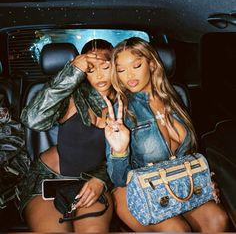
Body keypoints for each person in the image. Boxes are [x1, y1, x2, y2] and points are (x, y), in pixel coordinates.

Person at [104, 37, 229, 232]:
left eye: (136, 65)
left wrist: (203, 179)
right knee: (177, 230)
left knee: (218, 219)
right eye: (120, 70)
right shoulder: (121, 111)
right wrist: (119, 150)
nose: (128, 75)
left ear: (152, 64)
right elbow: (119, 179)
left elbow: (189, 154)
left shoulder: (174, 98)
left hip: (176, 182)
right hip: (137, 191)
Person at [19, 39, 114, 232]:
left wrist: (100, 179)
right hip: (49, 180)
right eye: (90, 68)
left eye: (105, 66)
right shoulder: (71, 95)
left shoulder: (127, 102)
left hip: (94, 181)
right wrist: (73, 71)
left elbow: (130, 156)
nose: (99, 74)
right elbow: (32, 119)